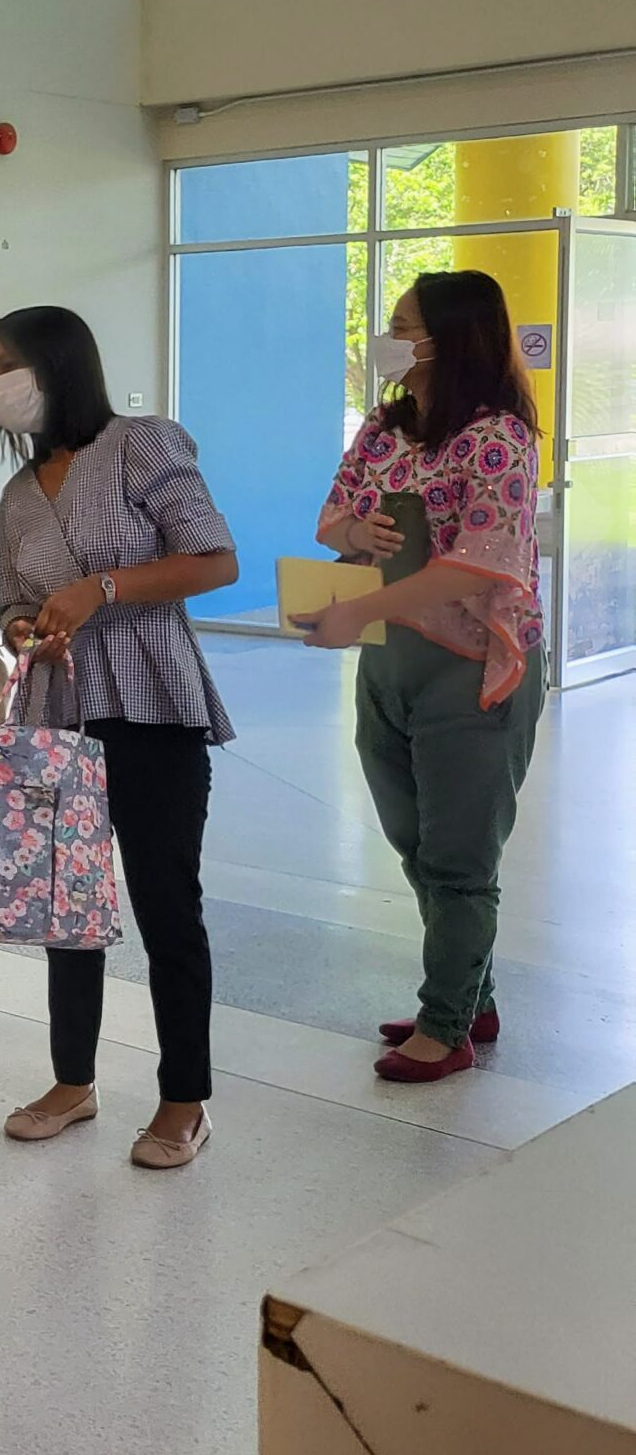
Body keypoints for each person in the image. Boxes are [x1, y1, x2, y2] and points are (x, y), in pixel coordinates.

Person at [0, 306, 238, 1169]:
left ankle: (185, 1099)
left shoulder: (140, 444)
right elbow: (13, 606)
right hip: (59, 713)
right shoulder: (17, 497)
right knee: (70, 913)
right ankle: (73, 1081)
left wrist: (104, 588)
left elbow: (215, 559)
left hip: (153, 707)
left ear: (56, 365)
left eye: (6, 365)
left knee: (168, 908)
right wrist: (26, 631)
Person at [296, 271, 545, 1084]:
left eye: (403, 326)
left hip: (472, 671)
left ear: (451, 337)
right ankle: (471, 997)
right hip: (391, 664)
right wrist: (356, 533)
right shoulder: (385, 426)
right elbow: (331, 517)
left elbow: (477, 565)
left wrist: (356, 610)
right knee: (414, 842)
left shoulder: (500, 438)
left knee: (459, 858)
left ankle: (447, 1027)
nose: (389, 337)